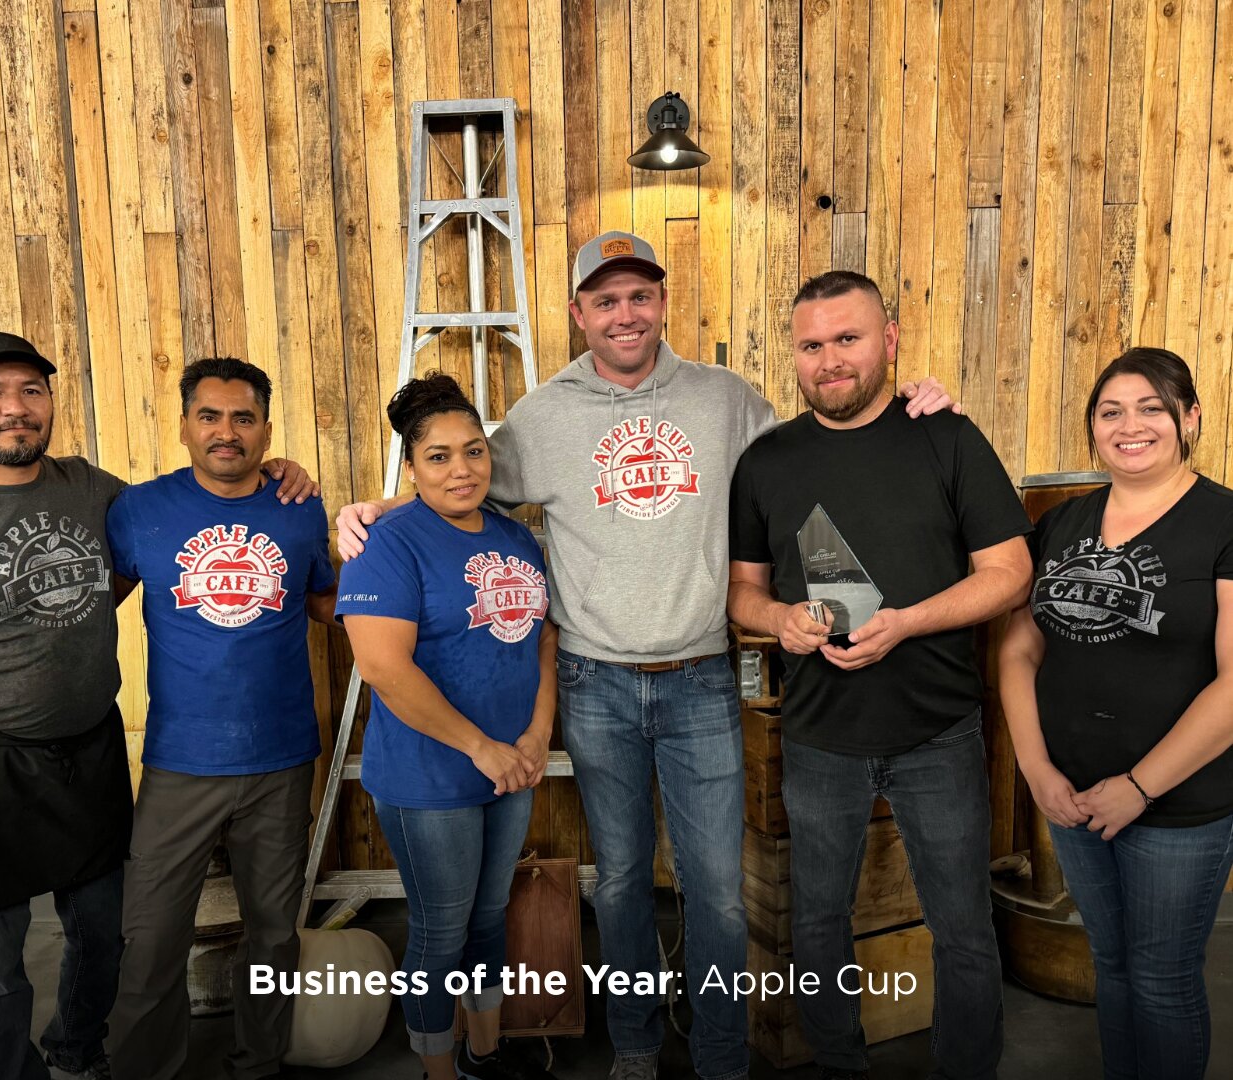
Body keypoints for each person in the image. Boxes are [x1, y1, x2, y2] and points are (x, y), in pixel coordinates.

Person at [336, 234, 957, 1080]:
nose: (623, 314)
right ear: (577, 314)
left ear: (662, 304)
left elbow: (820, 456)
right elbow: (455, 478)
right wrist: (371, 510)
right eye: (604, 299)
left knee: (717, 894)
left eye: (639, 295)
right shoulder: (542, 417)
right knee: (622, 884)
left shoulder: (727, 401)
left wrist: (912, 401)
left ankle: (720, 1056)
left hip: (703, 678)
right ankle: (633, 1050)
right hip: (595, 683)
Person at [0, 333, 313, 1080]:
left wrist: (289, 476)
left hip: (91, 745)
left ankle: (81, 1056)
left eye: (30, 392)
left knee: (107, 935)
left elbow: (191, 516)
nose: (15, 409)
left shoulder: (95, 491)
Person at [726, 271, 1032, 1080]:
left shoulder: (948, 437)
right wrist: (778, 620)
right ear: (793, 354)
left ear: (889, 340)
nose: (830, 361)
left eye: (848, 339)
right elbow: (742, 595)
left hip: (940, 730)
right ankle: (837, 1064)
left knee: (964, 927)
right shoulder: (767, 462)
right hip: (821, 735)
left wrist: (907, 623)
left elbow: (1009, 573)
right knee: (818, 921)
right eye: (812, 345)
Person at [998, 347, 1233, 1080]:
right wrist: (1037, 771)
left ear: (1190, 419)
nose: (1130, 425)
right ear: (1093, 428)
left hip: (1177, 805)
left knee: (1161, 980)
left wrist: (1139, 786)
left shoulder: (1223, 521)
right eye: (1111, 411)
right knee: (1112, 964)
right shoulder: (1064, 523)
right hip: (1072, 797)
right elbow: (1018, 652)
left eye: (1151, 408)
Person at [103, 358, 337, 1080]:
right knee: (149, 940)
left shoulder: (299, 506)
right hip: (181, 762)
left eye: (243, 418)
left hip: (282, 756)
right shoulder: (138, 511)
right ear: (183, 425)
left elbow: (329, 605)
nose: (226, 432)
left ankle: (258, 1062)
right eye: (209, 416)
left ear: (266, 427)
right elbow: (88, 610)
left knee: (273, 936)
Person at [336, 372, 557, 1080]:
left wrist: (534, 738)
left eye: (474, 451)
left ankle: (483, 1054)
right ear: (409, 466)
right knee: (441, 930)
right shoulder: (387, 542)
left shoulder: (515, 536)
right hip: (430, 777)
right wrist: (482, 748)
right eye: (438, 456)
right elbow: (383, 667)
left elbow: (542, 638)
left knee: (490, 919)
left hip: (510, 768)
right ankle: (437, 1072)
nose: (461, 469)